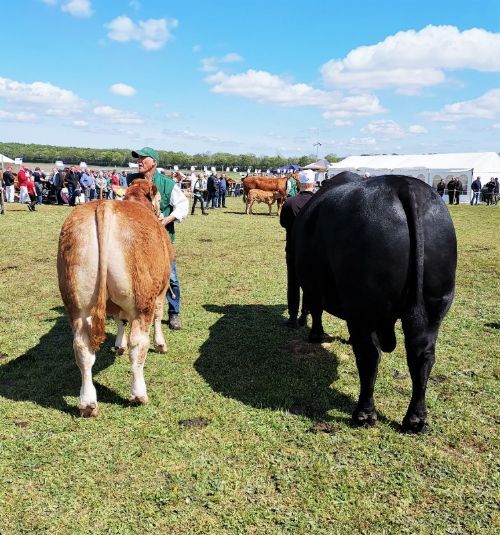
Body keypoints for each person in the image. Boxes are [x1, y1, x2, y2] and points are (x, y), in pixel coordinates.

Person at [128, 147, 189, 330]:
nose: (139, 161)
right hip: (135, 240)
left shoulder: (167, 184)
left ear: (154, 162)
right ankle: (135, 310)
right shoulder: (130, 181)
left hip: (161, 241)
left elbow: (183, 206)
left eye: (143, 158)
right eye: (137, 158)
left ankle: (173, 313)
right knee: (134, 276)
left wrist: (166, 220)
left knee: (170, 278)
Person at [279, 169, 316, 328]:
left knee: (293, 282)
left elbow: (283, 223)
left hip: (294, 248)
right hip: (314, 251)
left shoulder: (290, 202)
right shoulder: (319, 201)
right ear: (313, 183)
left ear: (299, 183)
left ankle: (293, 317)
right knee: (311, 284)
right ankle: (305, 315)